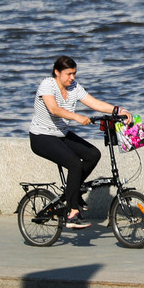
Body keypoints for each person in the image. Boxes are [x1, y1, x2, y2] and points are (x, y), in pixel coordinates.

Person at [29, 56, 133, 229]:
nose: (72, 78)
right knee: (75, 164)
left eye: (74, 73)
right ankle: (71, 212)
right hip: (41, 137)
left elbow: (94, 103)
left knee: (93, 154)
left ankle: (73, 191)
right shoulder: (47, 85)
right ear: (57, 72)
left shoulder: (74, 87)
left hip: (61, 134)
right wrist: (77, 116)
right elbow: (54, 109)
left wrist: (118, 110)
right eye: (69, 74)